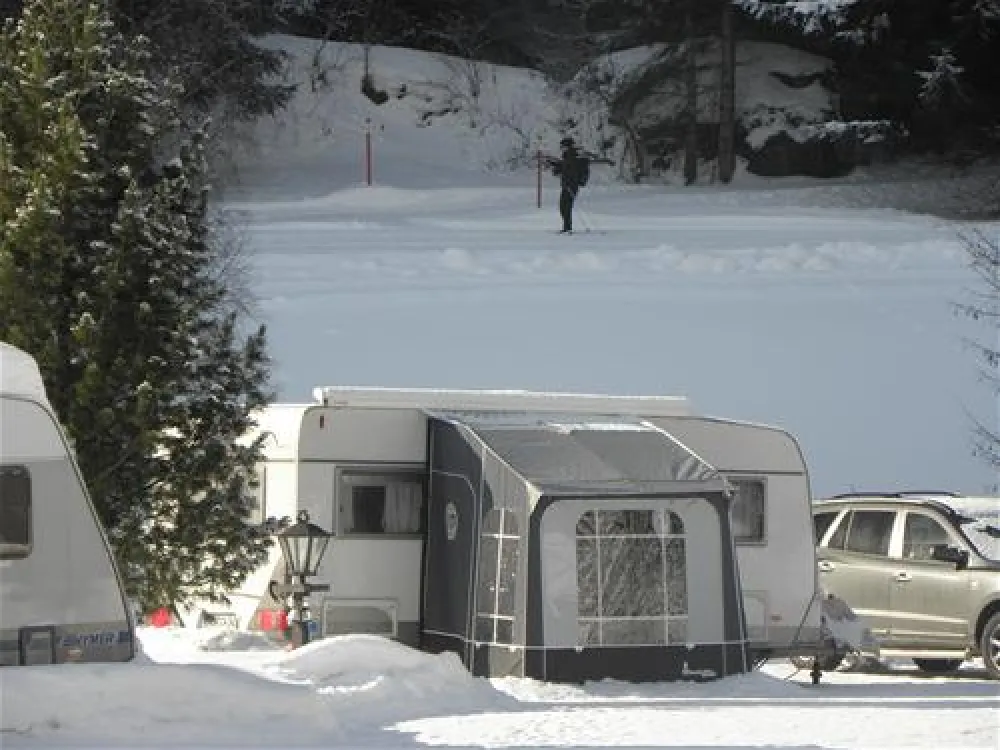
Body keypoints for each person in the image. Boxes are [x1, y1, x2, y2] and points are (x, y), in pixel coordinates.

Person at [550, 136, 589, 233]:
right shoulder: (568, 156)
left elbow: (571, 170)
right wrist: (555, 165)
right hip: (567, 184)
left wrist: (559, 169)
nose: (561, 148)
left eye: (563, 146)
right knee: (564, 206)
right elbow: (563, 168)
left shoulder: (572, 157)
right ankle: (567, 226)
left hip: (571, 185)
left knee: (565, 206)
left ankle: (567, 227)